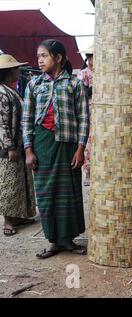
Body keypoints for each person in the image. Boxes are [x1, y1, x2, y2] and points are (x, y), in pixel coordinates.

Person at [22, 39, 89, 258]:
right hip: (42, 144)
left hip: (68, 145)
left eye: (44, 56)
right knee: (46, 194)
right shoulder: (34, 85)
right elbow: (27, 118)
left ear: (58, 58)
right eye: (38, 56)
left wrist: (80, 149)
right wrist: (28, 150)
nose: (39, 60)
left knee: (69, 192)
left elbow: (83, 118)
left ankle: (68, 240)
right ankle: (53, 241)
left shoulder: (74, 84)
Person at [0, 54, 36, 236]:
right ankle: (8, 219)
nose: (19, 71)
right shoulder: (1, 92)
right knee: (9, 182)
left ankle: (18, 215)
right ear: (9, 72)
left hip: (18, 143)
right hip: (9, 146)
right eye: (16, 69)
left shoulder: (10, 90)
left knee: (20, 180)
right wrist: (9, 146)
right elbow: (1, 123)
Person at [77, 44, 94, 186]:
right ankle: (88, 171)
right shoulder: (83, 73)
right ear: (88, 58)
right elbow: (82, 94)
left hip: (101, 113)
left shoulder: (103, 72)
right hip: (88, 111)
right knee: (88, 141)